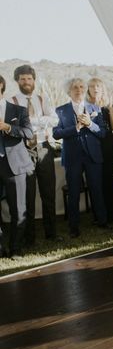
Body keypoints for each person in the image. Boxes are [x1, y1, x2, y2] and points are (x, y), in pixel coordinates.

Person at [53, 78, 108, 237]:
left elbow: (102, 133)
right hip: (73, 157)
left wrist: (90, 124)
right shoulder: (61, 110)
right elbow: (56, 133)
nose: (79, 90)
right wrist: (75, 128)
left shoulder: (95, 108)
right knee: (74, 192)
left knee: (97, 189)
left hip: (93, 156)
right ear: (69, 91)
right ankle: (74, 227)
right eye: (75, 87)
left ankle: (102, 221)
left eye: (81, 87)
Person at [11, 64, 60, 244]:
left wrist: (33, 121)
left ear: (34, 80)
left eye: (29, 78)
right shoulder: (12, 102)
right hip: (24, 151)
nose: (26, 82)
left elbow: (55, 120)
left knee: (48, 192)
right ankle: (29, 238)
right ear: (17, 81)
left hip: (44, 148)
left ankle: (51, 234)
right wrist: (39, 124)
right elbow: (15, 128)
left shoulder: (42, 98)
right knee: (28, 195)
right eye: (22, 79)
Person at [0, 75, 34, 258]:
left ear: (1, 86)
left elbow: (28, 132)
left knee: (18, 209)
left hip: (14, 165)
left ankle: (15, 248)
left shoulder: (18, 110)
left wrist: (7, 127)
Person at [87, 77, 113, 224]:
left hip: (109, 146)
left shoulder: (108, 106)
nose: (95, 89)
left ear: (102, 89)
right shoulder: (85, 107)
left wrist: (111, 109)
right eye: (92, 86)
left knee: (112, 179)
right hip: (94, 146)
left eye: (98, 86)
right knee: (97, 182)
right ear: (88, 90)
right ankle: (100, 215)